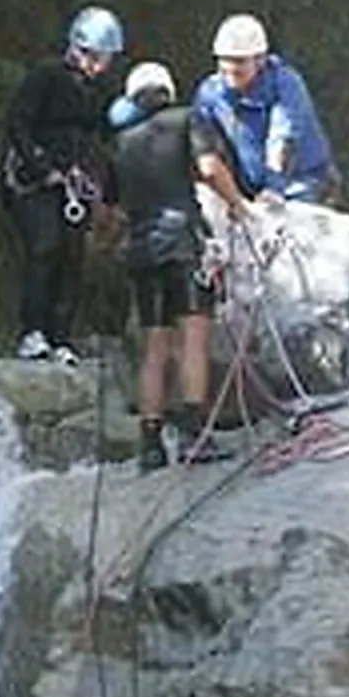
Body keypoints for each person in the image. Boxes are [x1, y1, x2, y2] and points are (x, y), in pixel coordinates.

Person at [108, 60, 255, 472]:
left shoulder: (122, 142)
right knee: (193, 340)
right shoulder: (188, 118)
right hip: (184, 244)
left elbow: (112, 212)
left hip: (142, 251)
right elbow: (208, 169)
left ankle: (151, 445)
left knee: (155, 347)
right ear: (168, 90)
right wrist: (239, 207)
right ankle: (195, 437)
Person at [0, 5, 125, 365]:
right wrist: (39, 167)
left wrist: (113, 193)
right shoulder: (46, 76)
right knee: (44, 246)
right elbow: (19, 122)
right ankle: (32, 332)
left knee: (72, 256)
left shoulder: (100, 90)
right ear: (82, 49)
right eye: (100, 57)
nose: (103, 66)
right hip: (33, 181)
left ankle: (60, 336)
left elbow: (105, 138)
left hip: (76, 183)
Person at [190, 13, 341, 205]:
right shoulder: (210, 93)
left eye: (239, 61)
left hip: (302, 183)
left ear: (260, 60)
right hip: (250, 190)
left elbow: (283, 138)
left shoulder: (285, 83)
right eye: (224, 59)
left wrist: (274, 187)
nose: (230, 68)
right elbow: (204, 145)